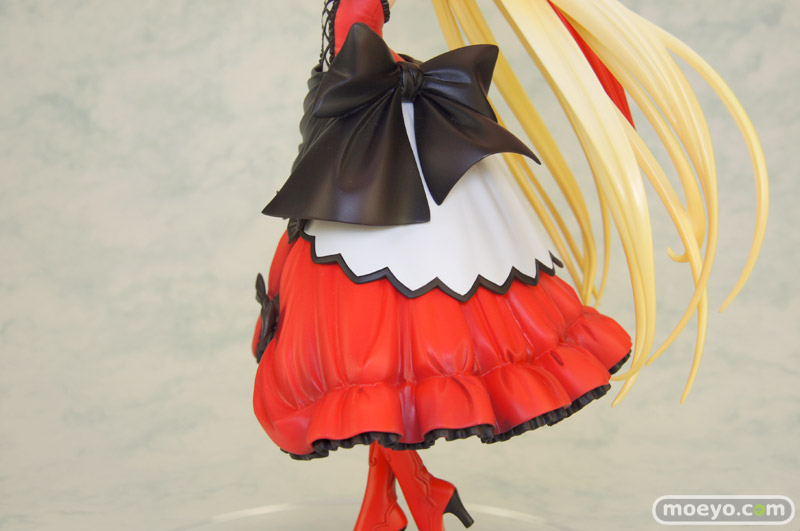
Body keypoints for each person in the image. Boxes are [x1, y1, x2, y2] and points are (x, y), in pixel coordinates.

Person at [250, 1, 767, 530]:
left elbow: (352, 41)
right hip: (367, 163)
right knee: (374, 373)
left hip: (390, 179)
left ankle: (414, 496)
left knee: (379, 365)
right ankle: (408, 496)